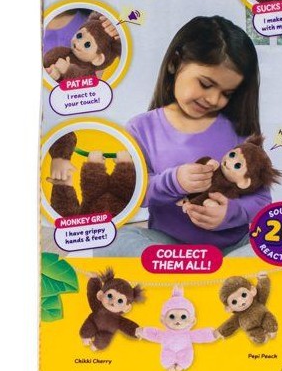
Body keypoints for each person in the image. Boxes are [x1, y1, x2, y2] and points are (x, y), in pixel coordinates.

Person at [98, 15, 269, 257]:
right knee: (110, 241)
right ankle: (187, 270)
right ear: (174, 63)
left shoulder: (238, 130)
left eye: (227, 93)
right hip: (169, 247)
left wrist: (229, 213)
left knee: (280, 241)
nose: (214, 99)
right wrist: (174, 181)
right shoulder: (141, 128)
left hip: (232, 248)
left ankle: (210, 270)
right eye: (206, 84)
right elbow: (132, 193)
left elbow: (262, 199)